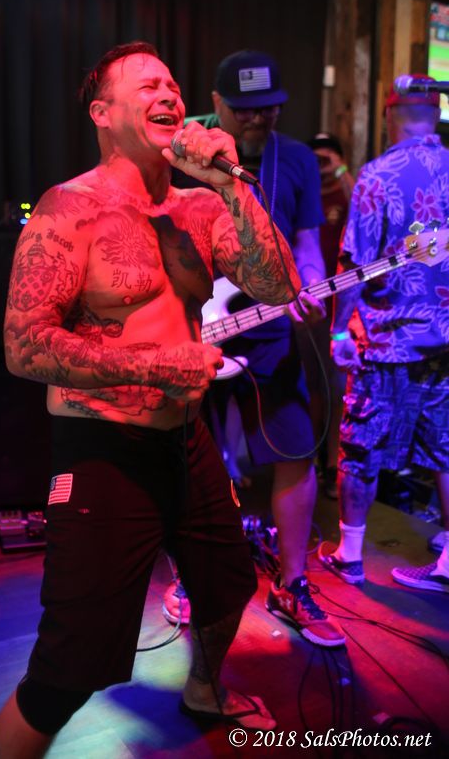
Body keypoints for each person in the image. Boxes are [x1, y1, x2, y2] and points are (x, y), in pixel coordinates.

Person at [0, 41, 303, 757]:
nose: (168, 94)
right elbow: (24, 345)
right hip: (102, 449)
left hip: (186, 439)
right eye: (146, 85)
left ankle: (205, 688)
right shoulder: (69, 209)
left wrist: (232, 185)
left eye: (171, 84)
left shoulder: (201, 205)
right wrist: (158, 364)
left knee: (226, 587)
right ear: (102, 113)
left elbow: (280, 285)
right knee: (67, 667)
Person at [163, 50, 346, 649]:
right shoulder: (183, 154)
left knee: (296, 449)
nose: (257, 119)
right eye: (243, 110)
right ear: (216, 103)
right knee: (192, 459)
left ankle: (293, 583)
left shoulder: (296, 159)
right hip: (193, 328)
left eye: (267, 108)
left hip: (270, 331)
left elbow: (307, 243)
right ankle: (191, 578)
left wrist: (309, 284)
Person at [318, 75, 449, 593]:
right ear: (435, 115)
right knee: (447, 446)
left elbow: (356, 264)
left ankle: (350, 555)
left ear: (390, 116)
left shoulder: (378, 176)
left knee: (361, 443)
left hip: (387, 339)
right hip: (446, 340)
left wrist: (337, 333)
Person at [302, 133, 355, 498]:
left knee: (337, 387)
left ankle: (334, 463)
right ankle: (310, 459)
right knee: (310, 385)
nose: (321, 166)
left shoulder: (347, 190)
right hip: (308, 302)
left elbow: (360, 216)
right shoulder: (307, 193)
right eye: (315, 160)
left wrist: (341, 170)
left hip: (340, 304)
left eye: (327, 159)